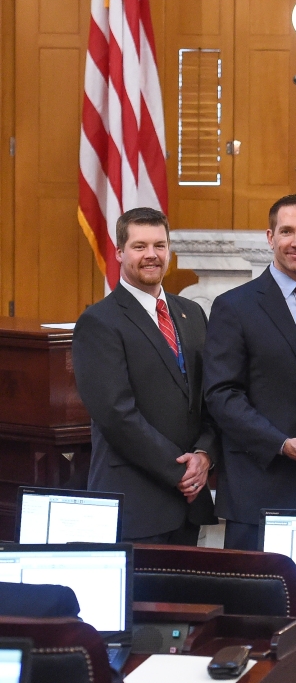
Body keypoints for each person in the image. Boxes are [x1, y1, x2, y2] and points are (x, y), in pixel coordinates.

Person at [203, 195, 296, 550]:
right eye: (287, 231)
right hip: (262, 488)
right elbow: (221, 395)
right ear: (270, 237)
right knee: (256, 603)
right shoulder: (234, 305)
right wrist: (281, 444)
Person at [72, 207, 217, 544]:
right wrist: (181, 470)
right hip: (136, 503)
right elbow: (116, 415)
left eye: (159, 245)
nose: (151, 255)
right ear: (120, 252)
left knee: (188, 598)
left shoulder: (192, 313)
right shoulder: (99, 322)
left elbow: (208, 396)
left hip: (189, 502)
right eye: (139, 246)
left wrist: (205, 455)